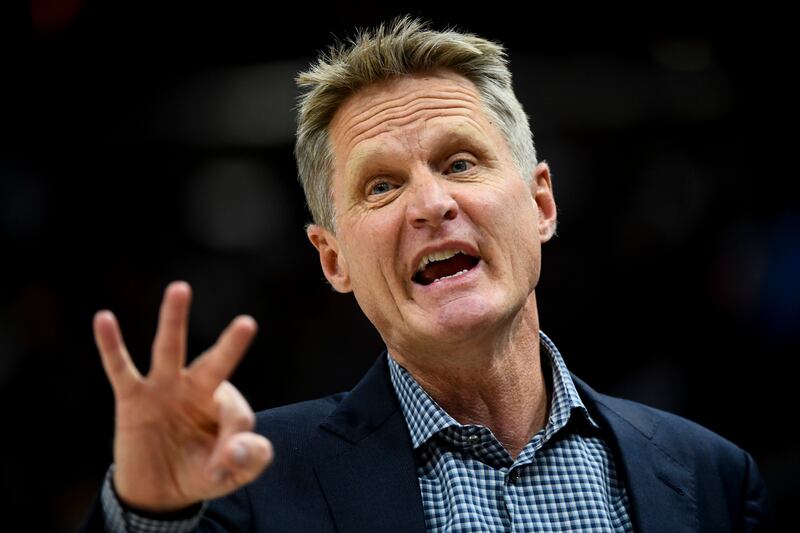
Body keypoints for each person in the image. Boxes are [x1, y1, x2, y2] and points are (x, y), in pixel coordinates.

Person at [80, 16, 771, 532]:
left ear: (541, 204)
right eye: (380, 186)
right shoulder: (242, 486)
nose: (431, 203)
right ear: (333, 259)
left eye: (460, 163)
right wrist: (148, 514)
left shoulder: (713, 477)